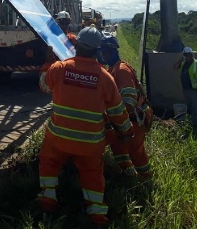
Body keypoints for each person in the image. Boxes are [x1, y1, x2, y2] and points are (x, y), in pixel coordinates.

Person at [37, 26, 134, 226]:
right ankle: (97, 213)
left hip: (59, 139)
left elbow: (44, 86)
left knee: (49, 161)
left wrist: (48, 62)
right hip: (90, 143)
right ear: (97, 50)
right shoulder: (106, 78)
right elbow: (117, 111)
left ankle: (47, 200)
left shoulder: (59, 68)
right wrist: (126, 131)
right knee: (92, 173)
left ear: (77, 45)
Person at [97, 35, 153, 179]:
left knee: (136, 151)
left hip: (133, 119)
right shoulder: (114, 69)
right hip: (126, 120)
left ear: (108, 52)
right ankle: (130, 176)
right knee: (119, 148)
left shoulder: (120, 70)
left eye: (103, 52)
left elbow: (128, 101)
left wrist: (112, 114)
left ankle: (145, 179)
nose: (101, 55)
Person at [172, 46, 197, 127]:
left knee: (196, 106)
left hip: (194, 89)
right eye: (185, 55)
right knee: (189, 106)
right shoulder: (184, 64)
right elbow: (175, 67)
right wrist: (181, 60)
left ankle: (196, 123)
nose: (186, 57)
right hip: (186, 89)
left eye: (187, 55)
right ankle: (191, 120)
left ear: (191, 55)